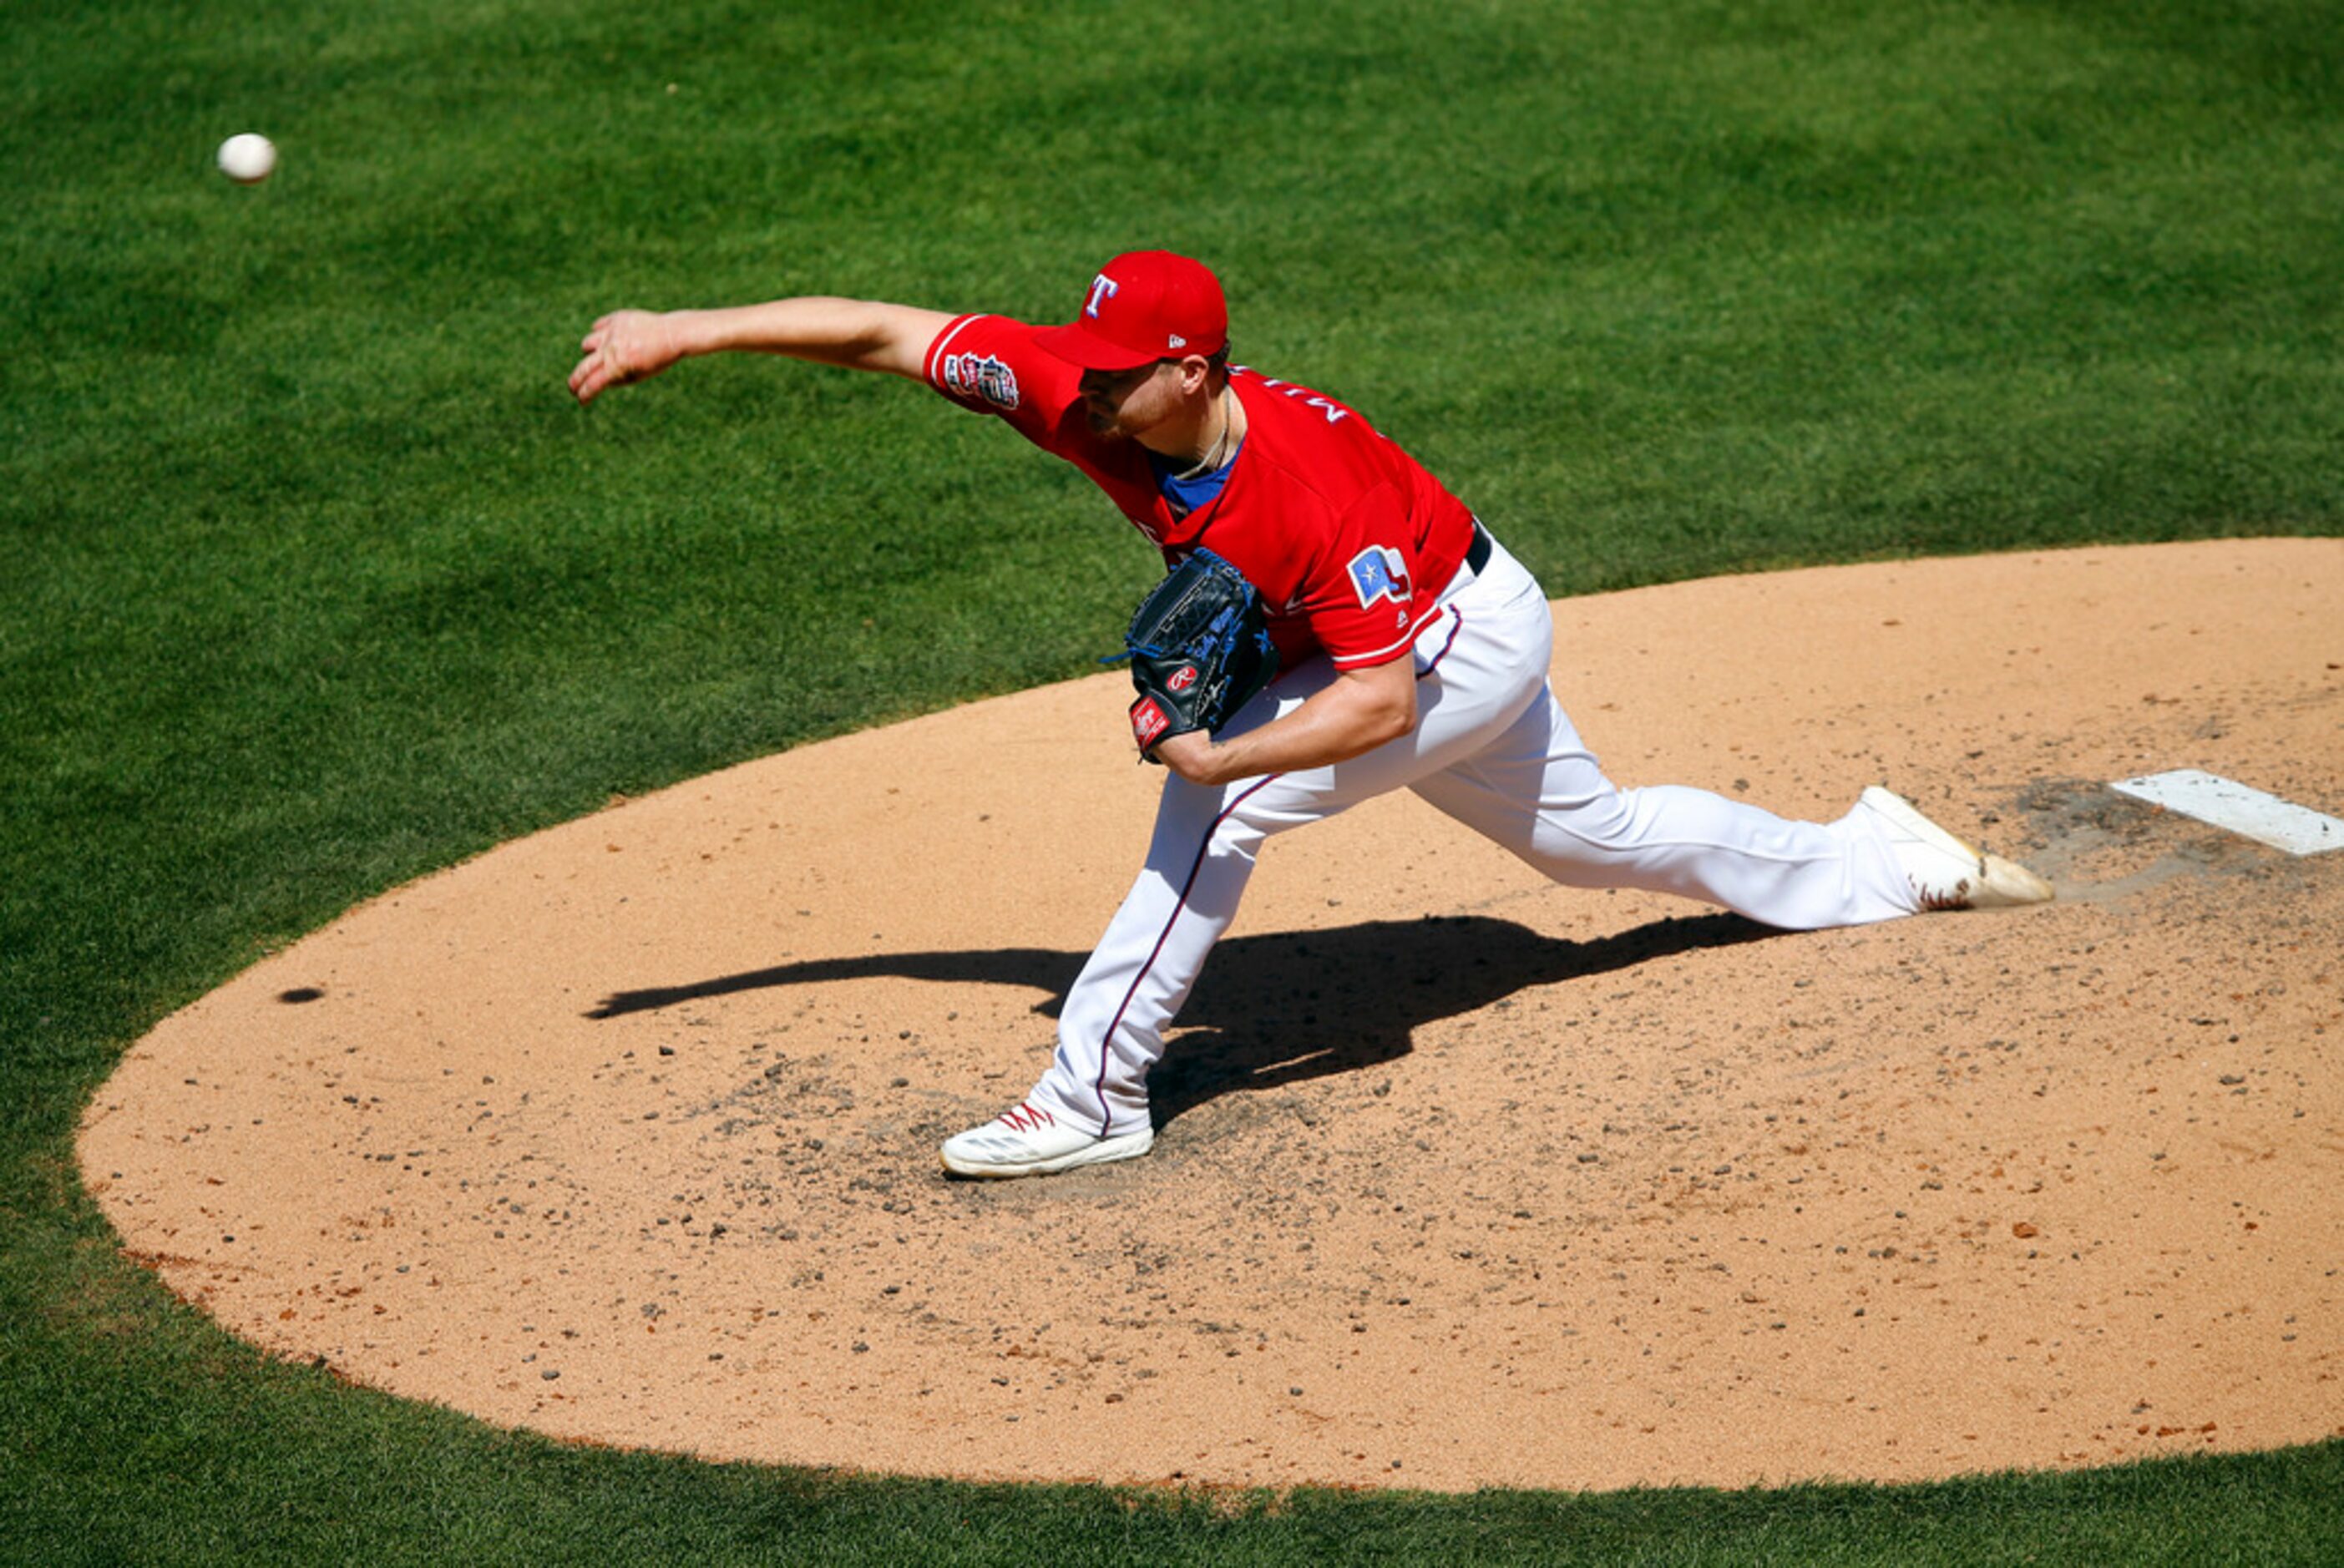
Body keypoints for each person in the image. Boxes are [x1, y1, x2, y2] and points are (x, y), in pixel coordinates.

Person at [569, 250, 2052, 1180]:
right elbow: (889, 333)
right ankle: (1877, 859)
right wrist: (683, 328)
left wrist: (1226, 751)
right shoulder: (1087, 384)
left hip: (1454, 640)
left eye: (1115, 379)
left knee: (1218, 804)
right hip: (1424, 621)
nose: (1080, 399)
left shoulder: (1302, 492)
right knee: (1592, 840)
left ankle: (1093, 1090)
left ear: (1193, 371)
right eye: (1078, 367)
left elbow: (1381, 698)